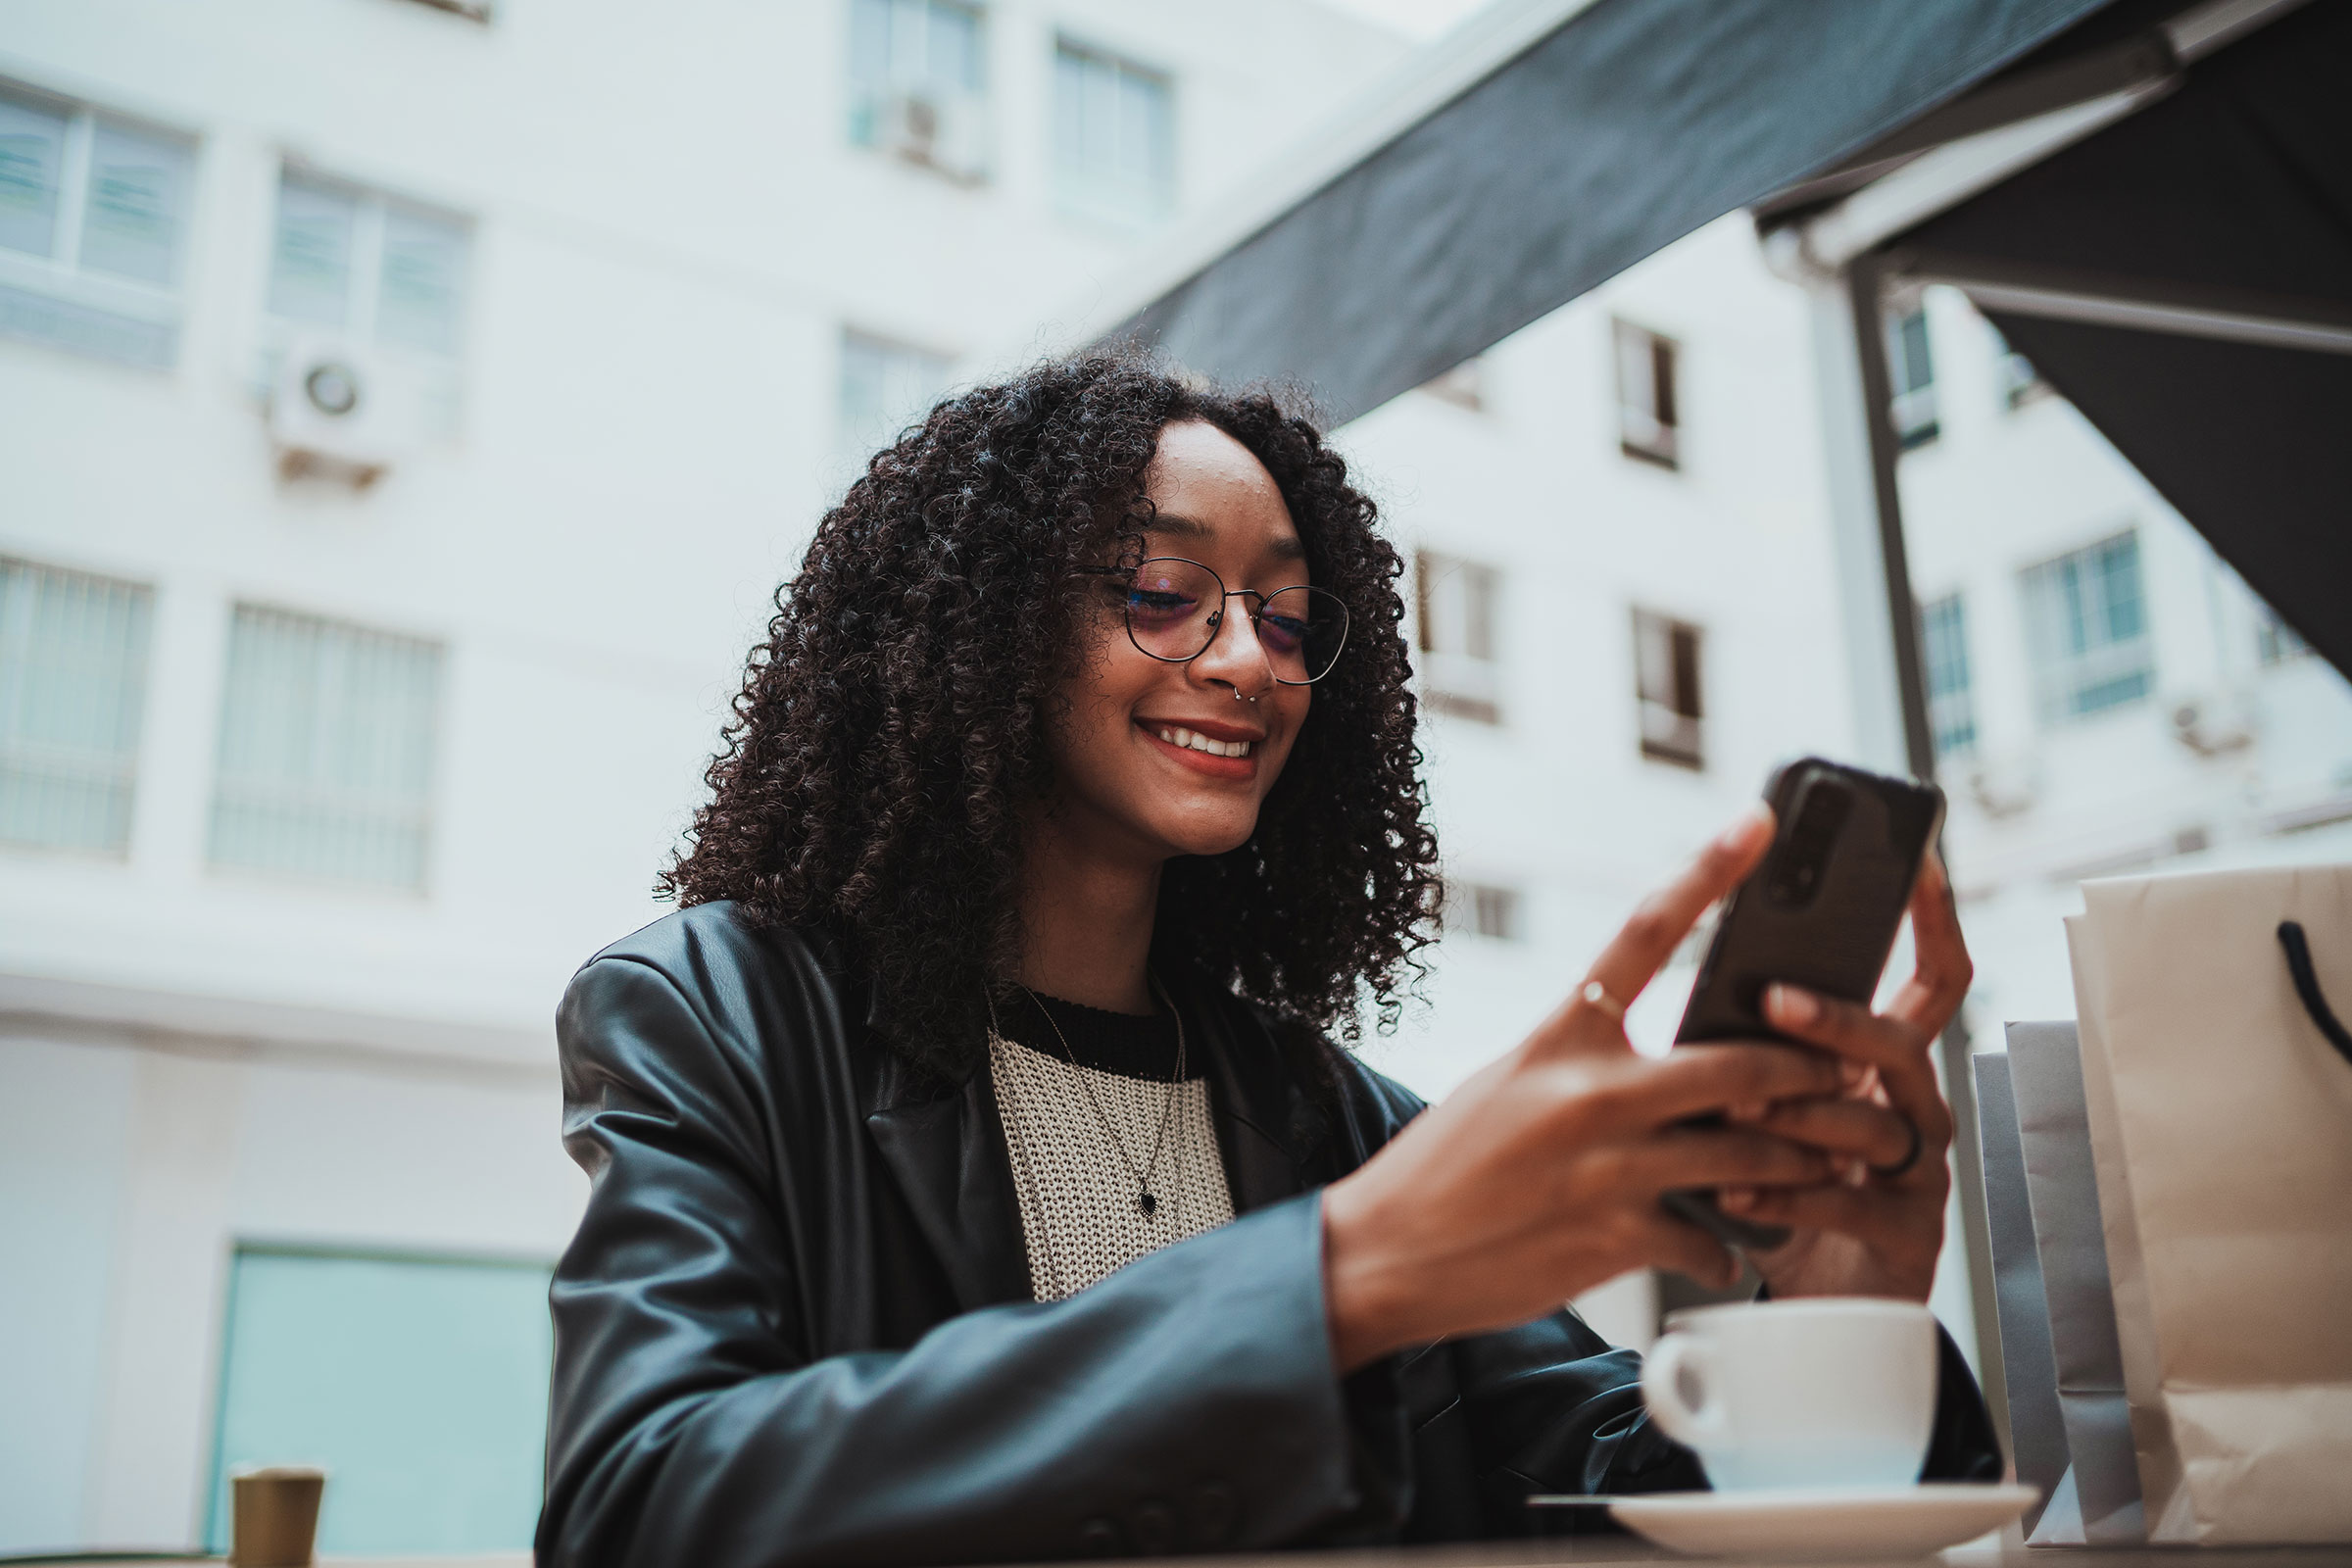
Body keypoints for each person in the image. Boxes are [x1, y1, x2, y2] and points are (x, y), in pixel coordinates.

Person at [537, 355, 1998, 1568]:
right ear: (980, 629)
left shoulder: (1334, 1118)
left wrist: (1835, 1315)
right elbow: (643, 1508)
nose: (1252, 660)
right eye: (1164, 592)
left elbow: (1614, 1511)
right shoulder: (715, 1013)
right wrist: (1339, 1279)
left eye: (1289, 615)